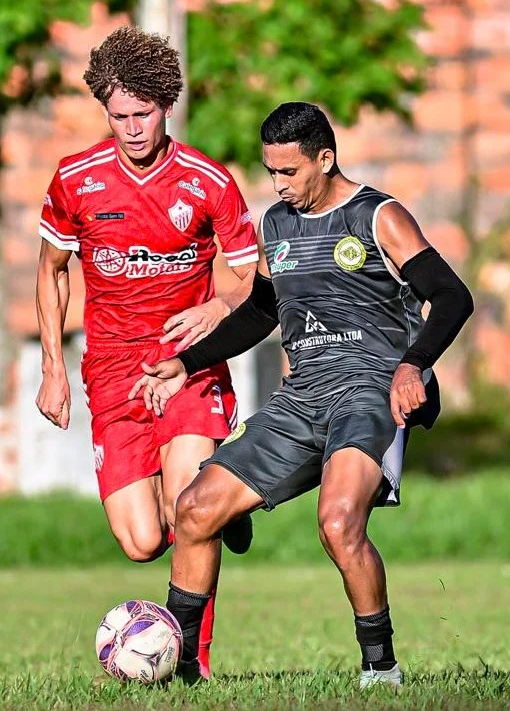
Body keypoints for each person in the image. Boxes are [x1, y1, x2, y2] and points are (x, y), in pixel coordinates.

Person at [131, 101, 474, 686]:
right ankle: (181, 667)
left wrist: (413, 365)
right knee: (193, 510)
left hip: (369, 392)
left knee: (338, 523)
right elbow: (261, 312)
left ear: (325, 158)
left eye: (289, 171)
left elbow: (451, 296)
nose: (278, 184)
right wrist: (185, 364)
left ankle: (381, 668)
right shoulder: (277, 225)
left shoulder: (378, 216)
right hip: (302, 397)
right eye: (271, 171)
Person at [35, 26, 260, 678]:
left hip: (186, 362)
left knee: (189, 509)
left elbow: (252, 276)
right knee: (141, 540)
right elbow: (51, 269)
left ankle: (190, 660)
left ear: (166, 106)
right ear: (105, 112)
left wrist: (216, 308)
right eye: (119, 116)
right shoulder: (75, 179)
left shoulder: (207, 181)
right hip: (112, 369)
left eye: (144, 114)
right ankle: (228, 499)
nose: (132, 128)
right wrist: (52, 368)